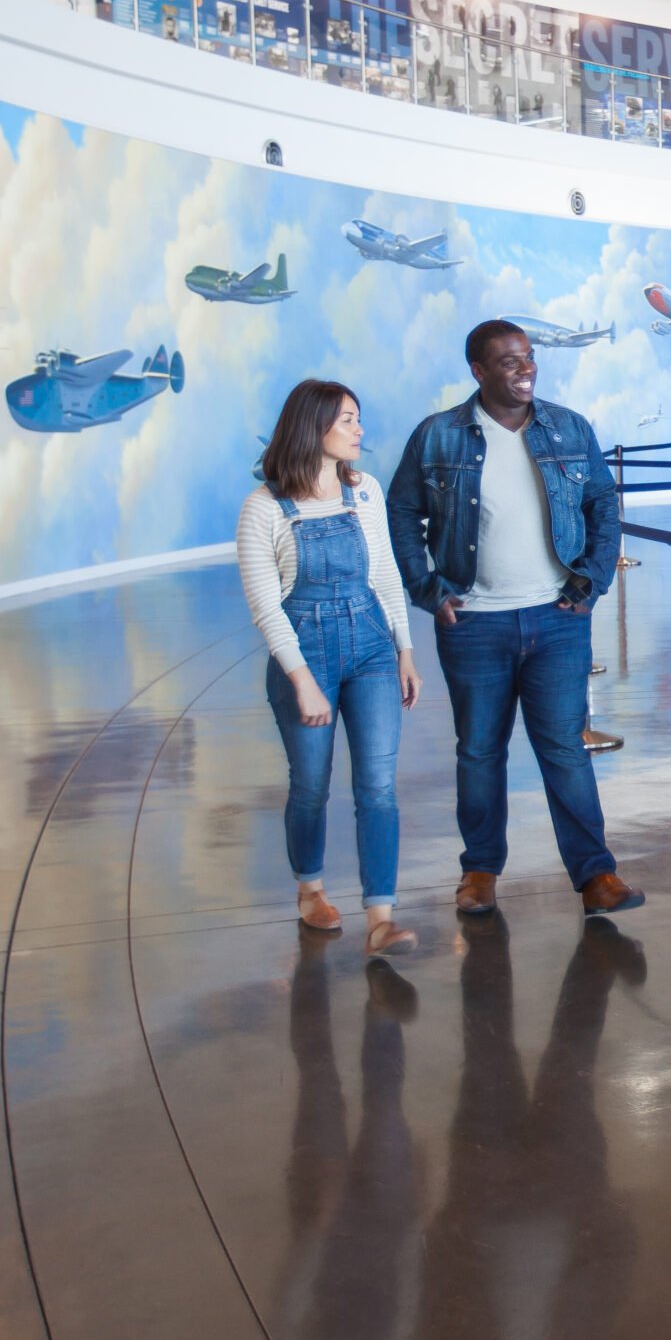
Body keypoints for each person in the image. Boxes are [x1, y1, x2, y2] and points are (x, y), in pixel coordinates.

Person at [387, 320, 642, 918]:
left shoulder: (569, 427)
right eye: (508, 362)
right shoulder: (439, 436)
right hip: (474, 623)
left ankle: (596, 876)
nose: (525, 369)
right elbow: (401, 513)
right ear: (478, 370)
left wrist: (593, 581)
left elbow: (603, 503)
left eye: (528, 358)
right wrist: (428, 590)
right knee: (479, 750)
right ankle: (479, 872)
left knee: (565, 749)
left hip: (558, 617)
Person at [240, 380, 422, 956]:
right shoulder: (264, 508)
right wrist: (301, 680)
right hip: (306, 655)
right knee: (311, 787)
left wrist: (405, 650)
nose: (359, 430)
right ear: (313, 427)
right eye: (348, 420)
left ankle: (381, 918)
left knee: (378, 787)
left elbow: (386, 575)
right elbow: (266, 606)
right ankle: (311, 889)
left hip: (370, 648)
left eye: (357, 419)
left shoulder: (364, 491)